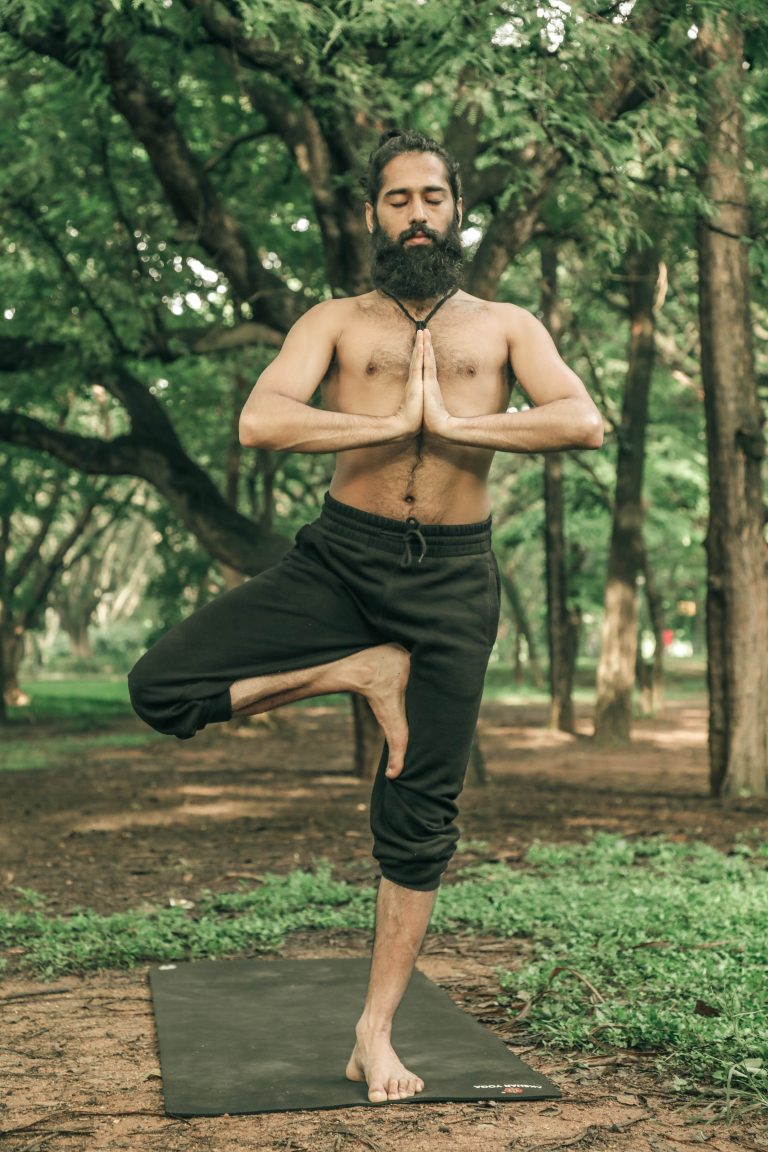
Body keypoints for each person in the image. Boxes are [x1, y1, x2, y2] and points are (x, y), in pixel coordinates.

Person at [128, 130, 602, 1104]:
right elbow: (263, 418)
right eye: (398, 199)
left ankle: (373, 1035)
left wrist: (462, 427)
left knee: (419, 816)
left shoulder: (506, 325)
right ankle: (358, 669)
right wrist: (392, 423)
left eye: (433, 197)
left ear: (457, 211)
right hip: (340, 562)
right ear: (373, 214)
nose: (417, 214)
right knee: (160, 689)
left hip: (453, 584)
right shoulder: (334, 321)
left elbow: (580, 420)